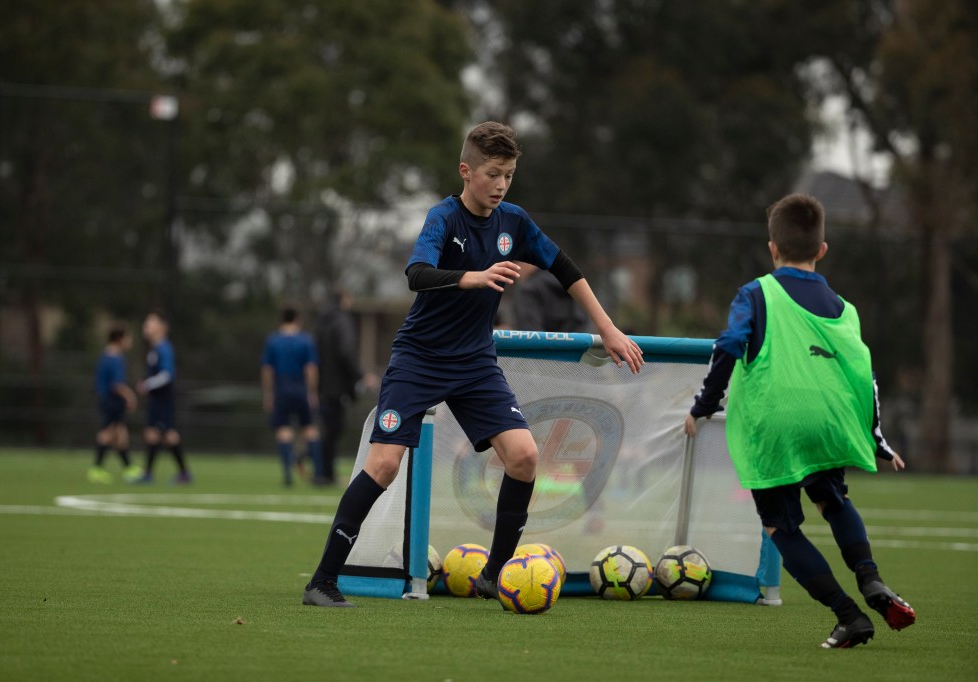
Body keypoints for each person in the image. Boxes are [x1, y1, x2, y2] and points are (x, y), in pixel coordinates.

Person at [302, 121, 644, 607]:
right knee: (383, 465)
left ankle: (494, 576)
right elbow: (416, 274)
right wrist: (473, 277)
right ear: (466, 172)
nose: (501, 185)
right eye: (492, 174)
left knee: (524, 457)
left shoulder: (515, 222)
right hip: (419, 359)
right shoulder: (443, 218)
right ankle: (322, 582)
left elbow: (565, 268)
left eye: (509, 175)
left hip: (475, 364)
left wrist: (608, 328)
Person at [684, 193, 915, 648]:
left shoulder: (756, 294)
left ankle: (849, 615)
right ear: (822, 249)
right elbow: (865, 373)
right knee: (834, 502)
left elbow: (728, 345)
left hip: (776, 425)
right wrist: (877, 438)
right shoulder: (843, 307)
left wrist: (703, 405)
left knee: (781, 528)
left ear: (772, 248)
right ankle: (870, 578)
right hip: (830, 421)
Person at [316, 288, 376, 486]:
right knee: (334, 430)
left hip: (324, 385)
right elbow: (346, 350)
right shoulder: (342, 320)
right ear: (345, 299)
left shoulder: (323, 320)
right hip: (338, 386)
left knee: (328, 429)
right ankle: (325, 474)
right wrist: (361, 375)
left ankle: (324, 472)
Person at [261, 305, 323, 487]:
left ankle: (288, 475)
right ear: (298, 319)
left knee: (283, 430)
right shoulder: (306, 340)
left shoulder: (273, 341)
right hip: (301, 387)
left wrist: (268, 393)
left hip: (281, 388)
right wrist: (312, 392)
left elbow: (267, 370)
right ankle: (318, 474)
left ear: (281, 320)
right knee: (310, 429)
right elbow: (311, 368)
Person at [135, 311, 191, 484]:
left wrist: (148, 384)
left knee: (168, 434)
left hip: (163, 399)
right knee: (153, 434)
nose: (146, 326)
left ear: (162, 327)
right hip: (156, 399)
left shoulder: (163, 348)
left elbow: (167, 375)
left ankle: (182, 473)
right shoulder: (154, 348)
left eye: (150, 323)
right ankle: (149, 473)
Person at [89, 323, 140, 483]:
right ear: (120, 339)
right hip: (112, 400)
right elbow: (117, 385)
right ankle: (96, 468)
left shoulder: (105, 356)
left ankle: (128, 467)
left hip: (106, 398)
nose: (130, 342)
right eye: (128, 338)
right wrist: (130, 396)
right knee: (108, 432)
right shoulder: (115, 358)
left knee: (120, 433)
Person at [511, 264, 587, 332]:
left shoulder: (527, 289)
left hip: (542, 342)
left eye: (517, 262)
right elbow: (581, 318)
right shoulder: (569, 283)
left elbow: (531, 333)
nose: (514, 268)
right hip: (574, 340)